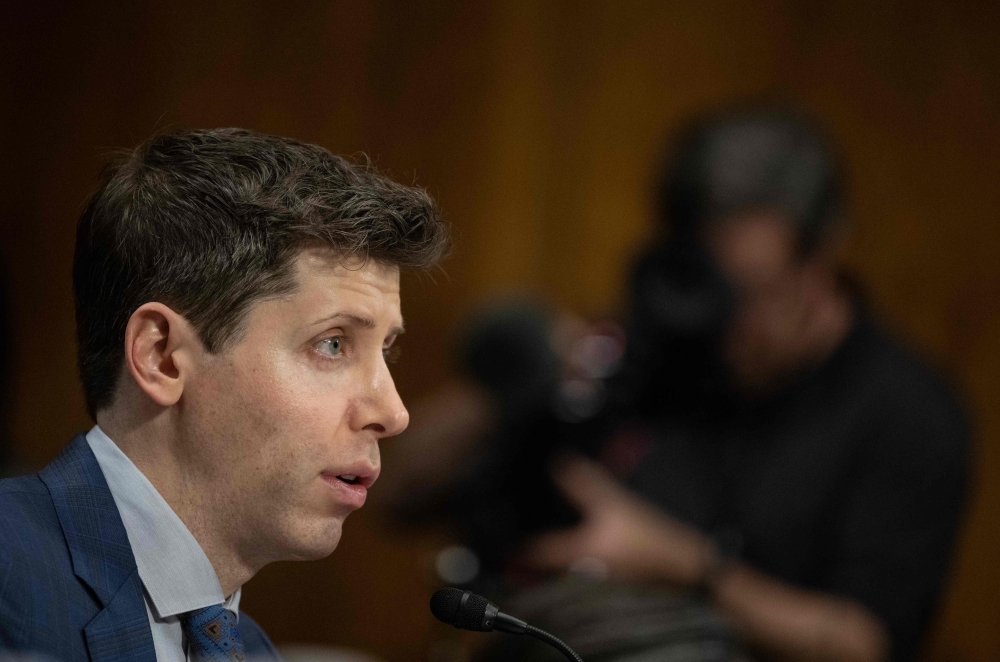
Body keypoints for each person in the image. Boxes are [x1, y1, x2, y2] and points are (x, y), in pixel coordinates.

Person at [385, 108, 969, 662]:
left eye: (750, 288)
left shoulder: (909, 412)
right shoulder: (650, 344)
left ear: (825, 253)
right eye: (706, 282)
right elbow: (396, 491)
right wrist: (520, 378)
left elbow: (864, 644)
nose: (722, 318)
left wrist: (686, 566)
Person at [0, 128, 448, 662]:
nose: (393, 414)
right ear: (162, 356)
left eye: (386, 350)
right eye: (332, 344)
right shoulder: (10, 572)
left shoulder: (252, 651)